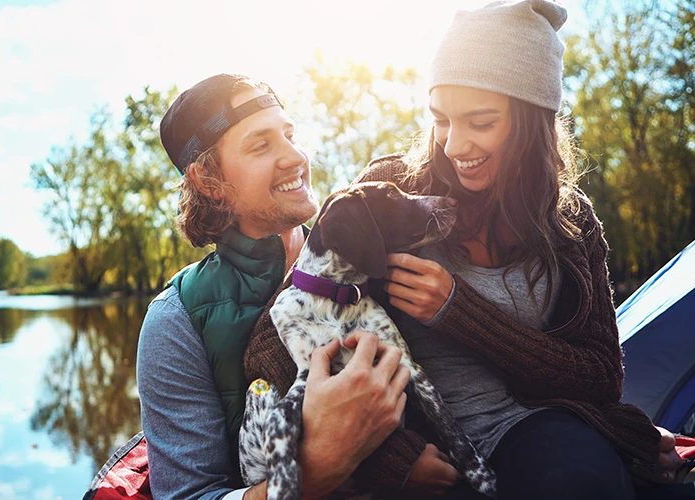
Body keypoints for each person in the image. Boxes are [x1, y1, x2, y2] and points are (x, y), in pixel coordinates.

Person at [245, 1, 695, 498]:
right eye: (441, 119)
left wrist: (459, 311)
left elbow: (601, 377)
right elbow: (271, 343)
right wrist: (389, 460)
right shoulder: (386, 192)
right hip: (429, 446)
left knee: (585, 483)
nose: (455, 144)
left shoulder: (570, 221)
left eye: (480, 122)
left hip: (538, 431)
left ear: (531, 121)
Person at [136, 74, 412, 499]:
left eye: (289, 134)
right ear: (209, 180)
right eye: (260, 145)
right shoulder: (175, 322)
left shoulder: (370, 250)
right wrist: (318, 465)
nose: (295, 156)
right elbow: (190, 494)